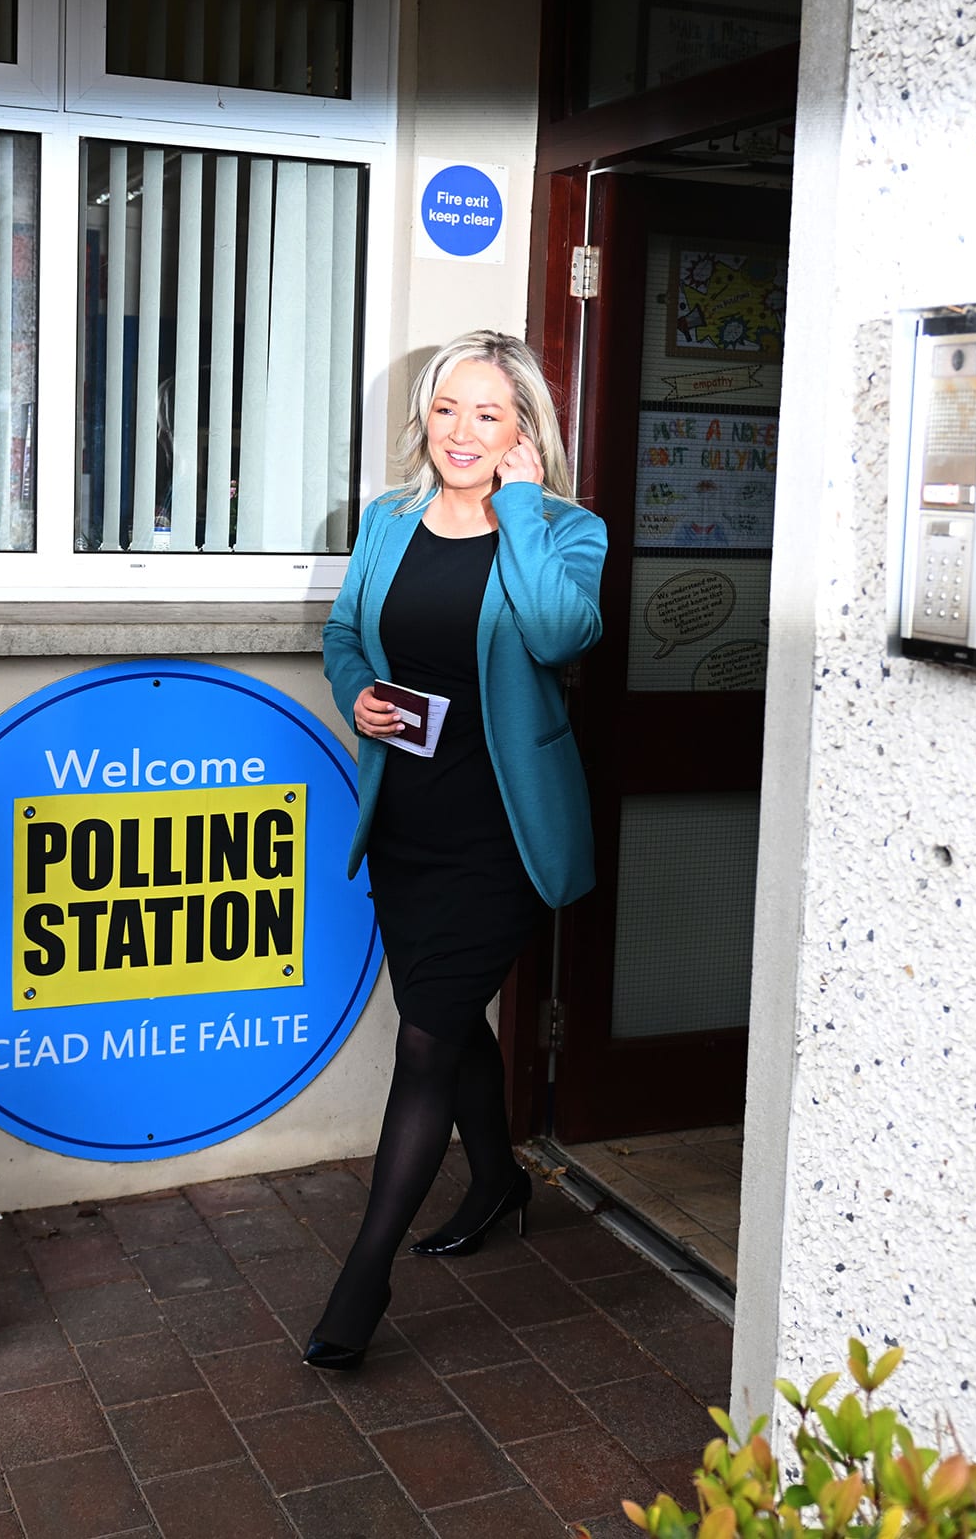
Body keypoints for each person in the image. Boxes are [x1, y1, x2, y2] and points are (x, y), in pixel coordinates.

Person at [307, 330, 606, 1368]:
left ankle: (364, 1276)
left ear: (523, 430)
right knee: (447, 1014)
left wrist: (518, 508)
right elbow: (346, 633)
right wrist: (360, 699)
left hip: (500, 831)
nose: (461, 431)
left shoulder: (567, 528)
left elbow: (561, 635)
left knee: (428, 1036)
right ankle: (497, 1181)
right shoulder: (389, 522)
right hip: (407, 817)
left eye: (487, 413)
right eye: (447, 409)